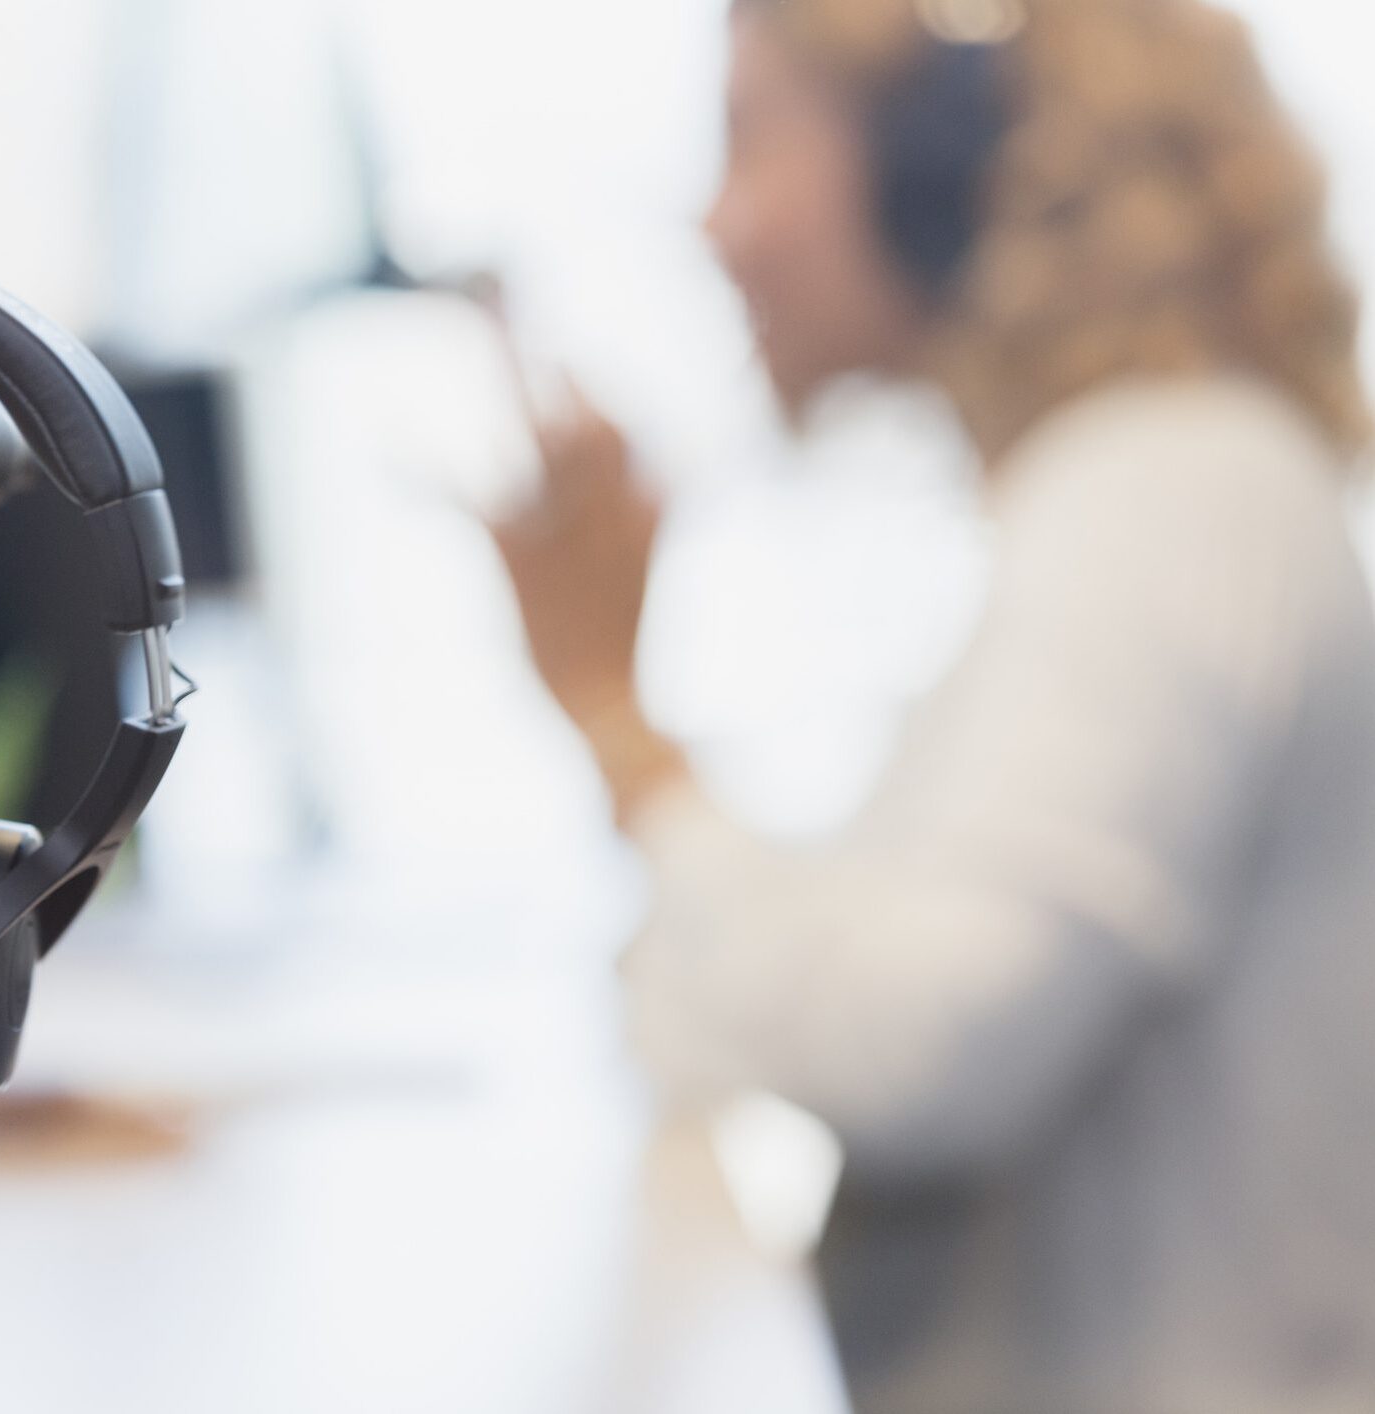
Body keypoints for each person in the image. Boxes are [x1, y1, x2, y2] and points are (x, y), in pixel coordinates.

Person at [486, 1, 1375, 1410]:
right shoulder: (1119, 495)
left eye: (750, 137)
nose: (716, 224)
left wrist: (621, 727)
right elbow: (725, 1007)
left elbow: (924, 1048)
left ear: (944, 155)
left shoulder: (1168, 494)